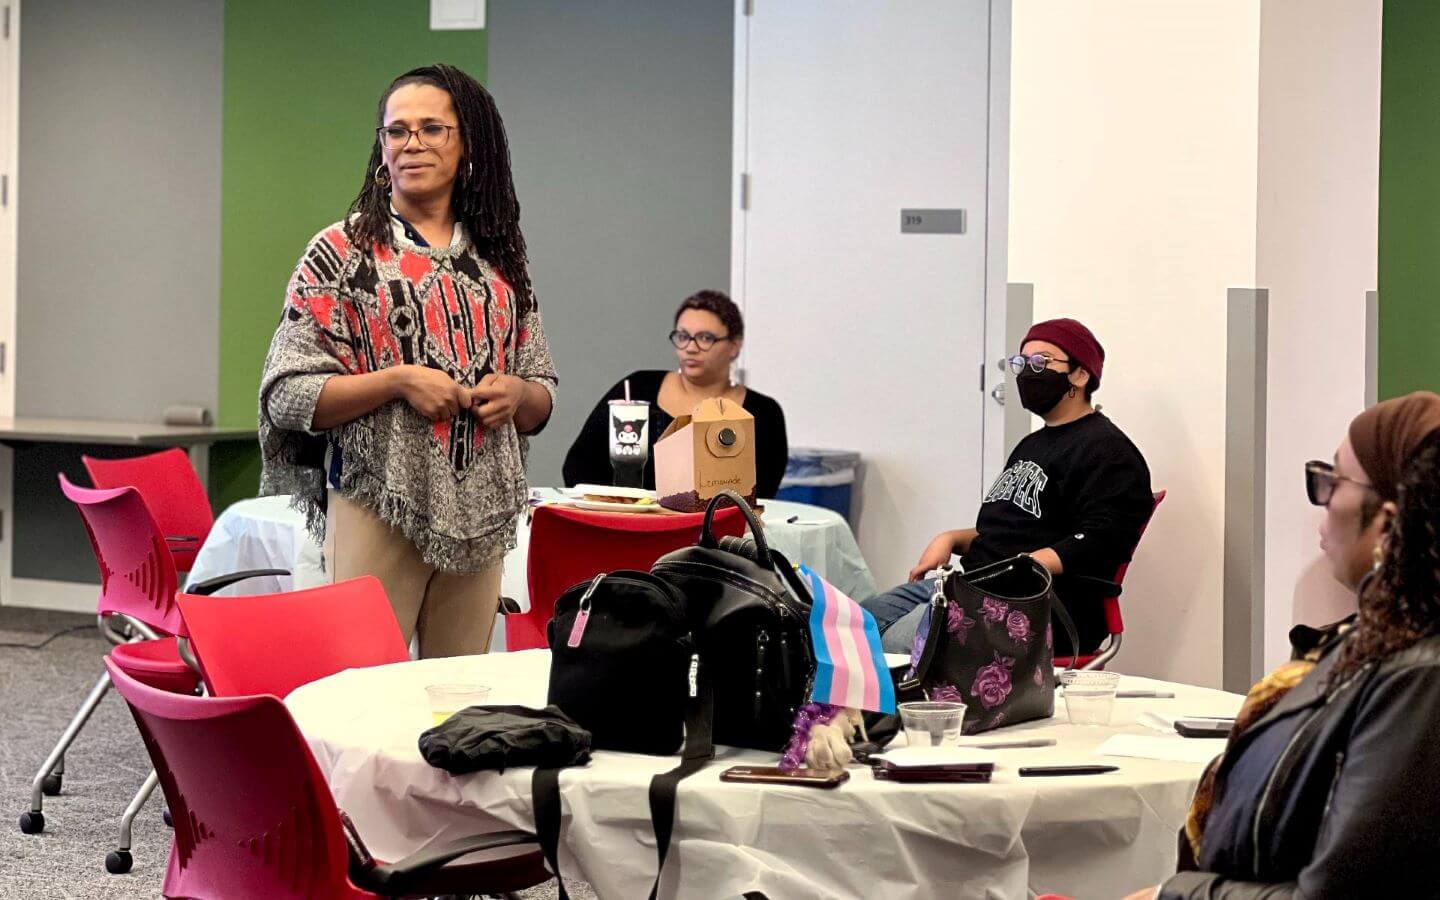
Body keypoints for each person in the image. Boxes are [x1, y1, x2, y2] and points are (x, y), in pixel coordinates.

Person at [258, 64, 557, 658]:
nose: (411, 142)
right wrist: (397, 382)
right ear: (381, 149)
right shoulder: (339, 254)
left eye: (432, 128)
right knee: (366, 692)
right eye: (397, 131)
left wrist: (518, 395)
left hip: (483, 513)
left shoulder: (502, 262)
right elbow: (285, 393)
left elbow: (542, 393)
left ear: (469, 144)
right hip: (377, 501)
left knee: (460, 701)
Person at [1121, 392, 1440, 900]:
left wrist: (1175, 895)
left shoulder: (1419, 676)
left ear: (1385, 520)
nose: (1323, 505)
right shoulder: (1374, 639)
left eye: (1333, 483)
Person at [861, 318, 1153, 657]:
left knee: (894, 647)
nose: (1029, 373)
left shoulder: (1108, 451)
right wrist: (951, 539)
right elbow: (1016, 529)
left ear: (1080, 375)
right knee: (850, 626)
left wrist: (1020, 566)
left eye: (1041, 362)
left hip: (1034, 606)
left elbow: (1102, 539)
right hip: (974, 586)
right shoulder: (1034, 444)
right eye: (1021, 363)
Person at [562, 290, 789, 497]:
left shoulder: (763, 413)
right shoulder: (637, 390)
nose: (690, 347)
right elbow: (578, 465)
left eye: (705, 338)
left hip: (721, 536)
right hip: (631, 527)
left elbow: (763, 493)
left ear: (734, 346)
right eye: (683, 336)